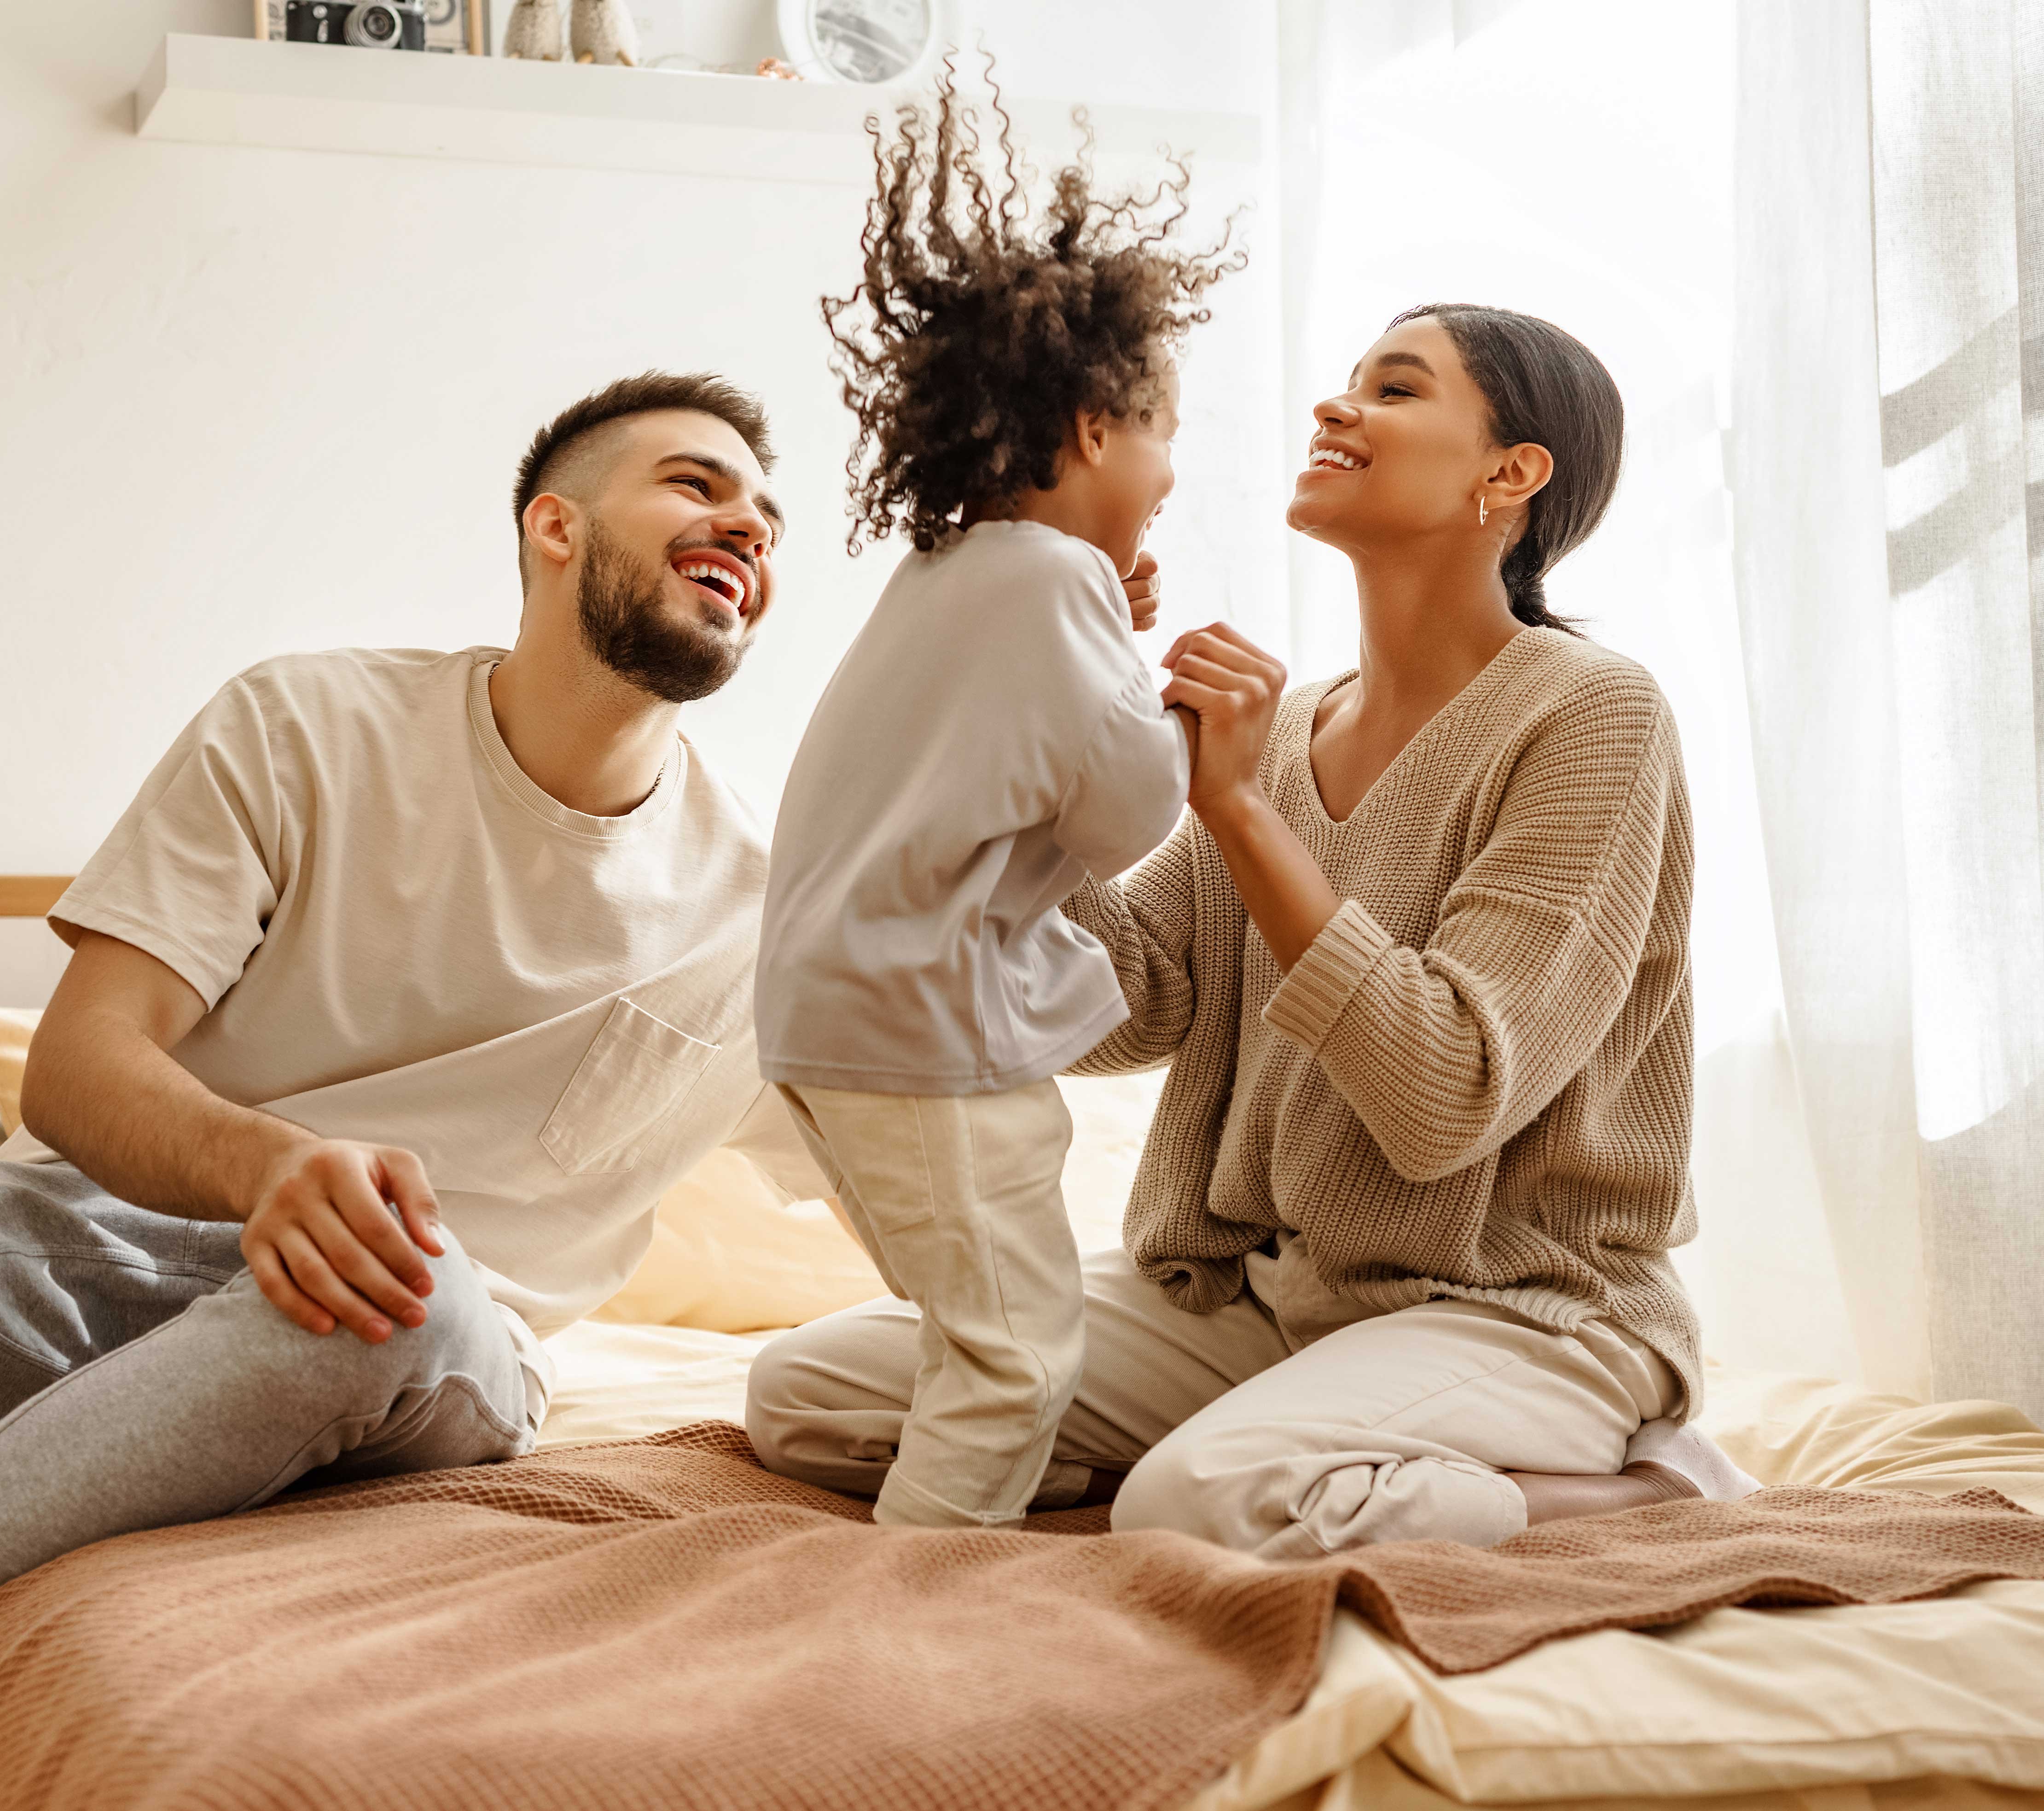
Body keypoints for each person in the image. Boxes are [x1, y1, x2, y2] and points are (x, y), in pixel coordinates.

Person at [0, 371, 830, 1811]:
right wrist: (269, 1166)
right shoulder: (309, 724)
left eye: (767, 513)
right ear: (555, 526)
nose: (743, 520)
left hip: (416, 1353)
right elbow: (79, 1069)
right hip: (121, 1242)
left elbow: (973, 1099)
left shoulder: (779, 899)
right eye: (695, 483)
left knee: (385, 1277)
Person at [749, 304, 1760, 1555]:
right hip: (1260, 1301)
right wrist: (1048, 717)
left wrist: (1228, 806)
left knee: (1197, 1501)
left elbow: (1446, 1093)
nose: (1336, 408)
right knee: (807, 1398)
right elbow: (1141, 998)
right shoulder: (1284, 732)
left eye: (1393, 390)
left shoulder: (1591, 715)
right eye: (1343, 384)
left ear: (1510, 475)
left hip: (1519, 1311)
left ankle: (1642, 1494)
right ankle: (1307, 1436)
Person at [750, 70, 1234, 1532]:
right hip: (923, 1031)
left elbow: (1016, 759)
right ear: (1094, 428)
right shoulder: (1058, 584)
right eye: (1161, 437)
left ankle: (940, 1547)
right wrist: (1189, 720)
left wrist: (1107, 639)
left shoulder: (955, 573)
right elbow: (1125, 814)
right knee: (1015, 1361)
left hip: (826, 1023)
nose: (1167, 477)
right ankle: (916, 1622)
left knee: (976, 1332)